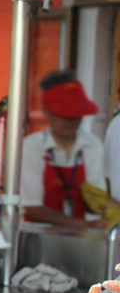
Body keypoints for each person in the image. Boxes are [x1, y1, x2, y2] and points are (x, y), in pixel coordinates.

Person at [20, 70, 107, 229]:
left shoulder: (92, 145)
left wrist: (107, 207)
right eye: (63, 114)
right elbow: (31, 208)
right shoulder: (32, 147)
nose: (70, 120)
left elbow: (96, 200)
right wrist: (84, 224)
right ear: (47, 111)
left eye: (76, 114)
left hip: (79, 239)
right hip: (36, 237)